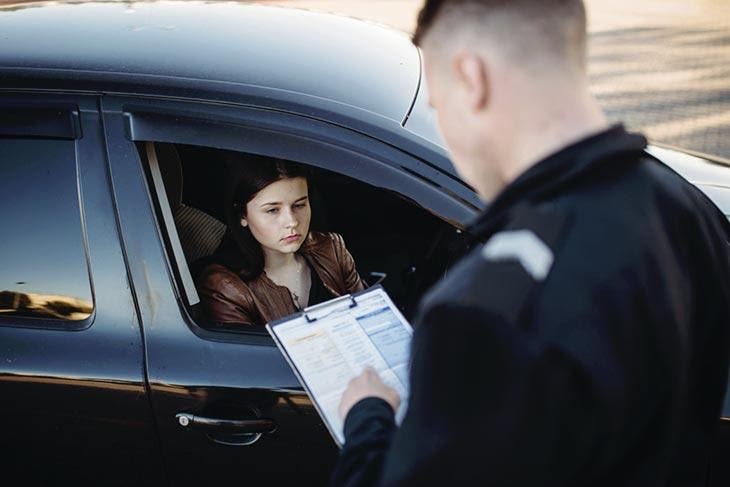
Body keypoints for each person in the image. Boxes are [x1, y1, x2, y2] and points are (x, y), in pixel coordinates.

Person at [331, 1, 730, 486]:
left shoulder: (482, 311)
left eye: (438, 108)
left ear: (471, 78)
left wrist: (368, 418)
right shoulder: (687, 207)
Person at [197, 156, 366, 327]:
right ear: (242, 215)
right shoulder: (226, 287)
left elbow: (370, 318)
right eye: (272, 210)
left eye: (299, 205)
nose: (292, 222)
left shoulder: (331, 249)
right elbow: (246, 353)